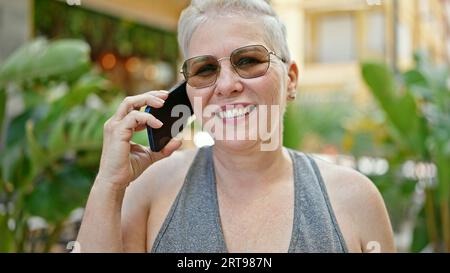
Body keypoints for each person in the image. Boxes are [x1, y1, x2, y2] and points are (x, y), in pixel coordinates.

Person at [76, 0, 395, 253]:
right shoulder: (150, 190)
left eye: (249, 61)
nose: (227, 85)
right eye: (205, 69)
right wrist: (109, 185)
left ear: (291, 79)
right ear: (187, 92)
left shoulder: (354, 199)